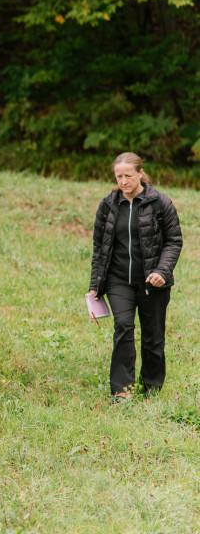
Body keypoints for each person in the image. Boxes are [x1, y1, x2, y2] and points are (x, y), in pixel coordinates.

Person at [88, 152, 182, 403]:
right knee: (123, 328)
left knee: (153, 336)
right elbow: (100, 247)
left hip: (152, 282)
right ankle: (122, 390)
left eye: (128, 176)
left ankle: (151, 388)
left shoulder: (161, 203)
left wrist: (162, 272)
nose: (123, 181)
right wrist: (95, 285)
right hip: (118, 280)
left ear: (140, 173)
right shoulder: (108, 205)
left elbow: (174, 241)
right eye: (118, 176)